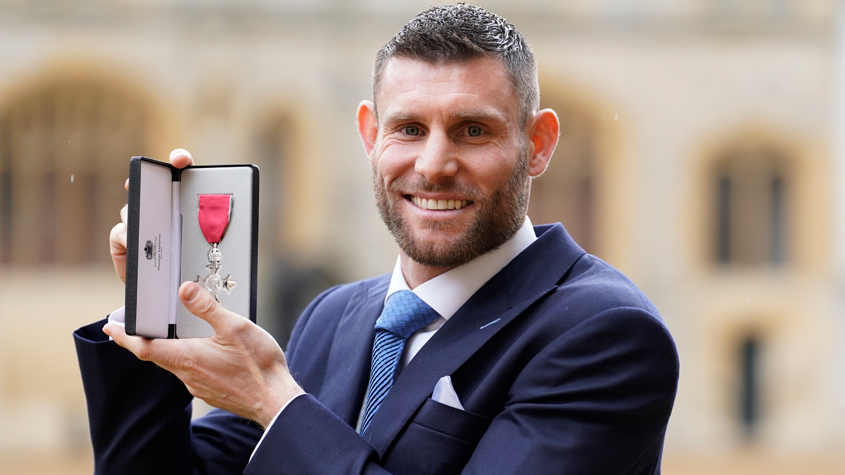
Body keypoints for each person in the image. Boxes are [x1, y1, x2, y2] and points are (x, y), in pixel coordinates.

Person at [75, 4, 679, 474]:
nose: (434, 165)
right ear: (370, 136)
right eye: (409, 129)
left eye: (473, 131)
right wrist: (156, 314)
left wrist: (275, 403)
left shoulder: (606, 334)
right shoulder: (332, 317)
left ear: (538, 144)